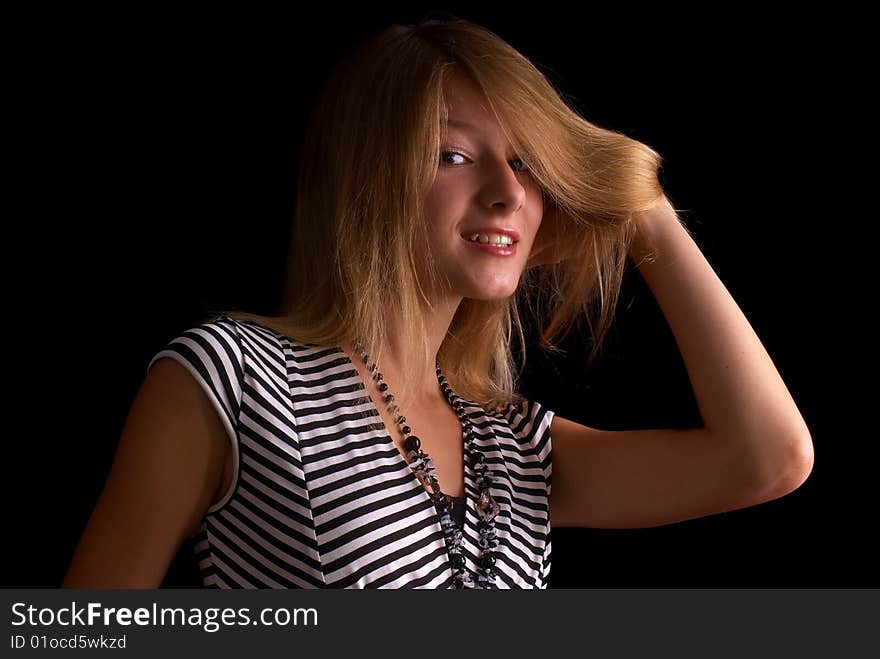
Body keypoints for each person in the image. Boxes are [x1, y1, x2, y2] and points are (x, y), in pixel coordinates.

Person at [61, 18, 814, 589]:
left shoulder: (513, 444)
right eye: (455, 154)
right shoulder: (232, 378)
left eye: (527, 163)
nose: (508, 191)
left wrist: (638, 205)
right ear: (366, 179)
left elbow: (770, 457)